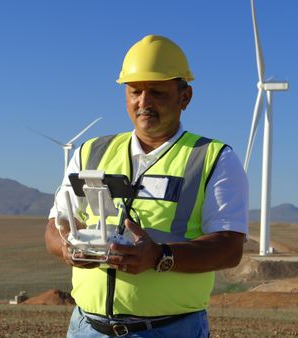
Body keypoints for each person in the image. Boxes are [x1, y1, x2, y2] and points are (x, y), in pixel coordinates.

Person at [44, 34, 248, 337]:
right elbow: (55, 227)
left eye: (157, 92)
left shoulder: (213, 159)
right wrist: (67, 249)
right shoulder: (90, 152)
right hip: (87, 327)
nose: (143, 102)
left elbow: (229, 248)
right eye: (135, 91)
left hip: (170, 329)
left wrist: (160, 256)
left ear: (185, 97)